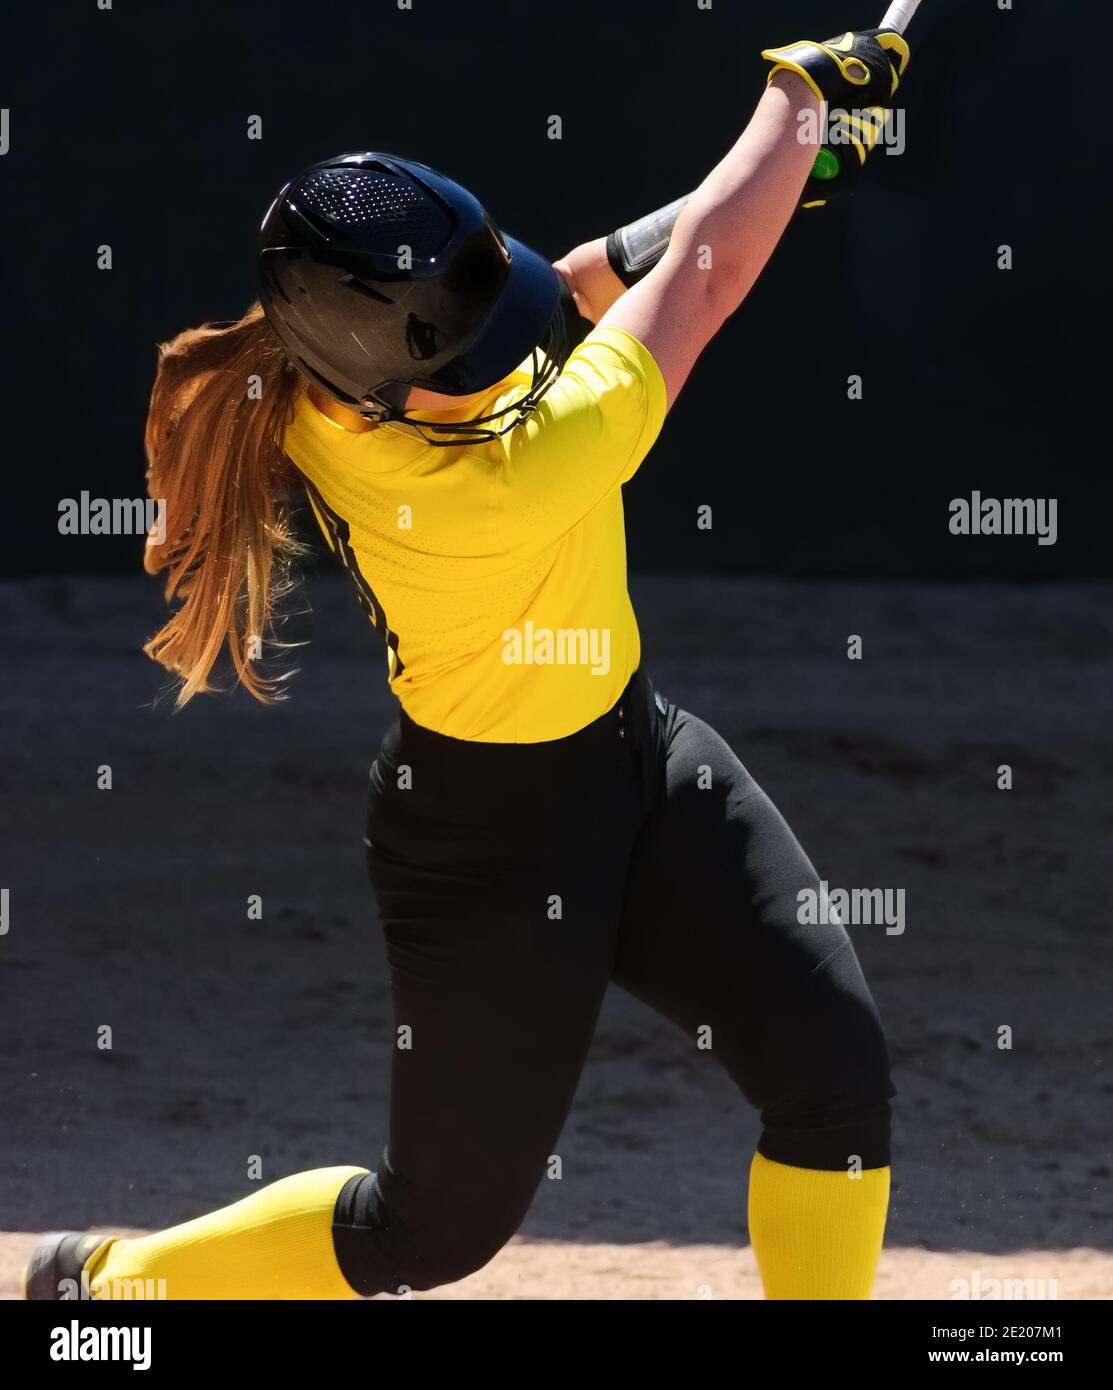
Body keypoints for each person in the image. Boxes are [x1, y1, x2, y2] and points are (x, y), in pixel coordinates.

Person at [26, 24, 910, 1301]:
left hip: (643, 762)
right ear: (380, 387)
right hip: (486, 845)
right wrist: (801, 106)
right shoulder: (502, 480)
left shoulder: (342, 381)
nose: (509, 356)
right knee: (426, 1234)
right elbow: (700, 289)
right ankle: (112, 1288)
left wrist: (780, 177)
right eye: (471, 357)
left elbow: (578, 281)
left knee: (834, 1079)